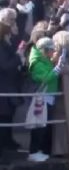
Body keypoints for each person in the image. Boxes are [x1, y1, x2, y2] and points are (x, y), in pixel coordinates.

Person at [27, 37, 63, 162]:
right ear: (44, 50)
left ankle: (38, 150)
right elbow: (46, 77)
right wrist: (57, 69)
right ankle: (33, 151)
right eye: (50, 50)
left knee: (43, 125)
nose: (52, 53)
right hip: (41, 98)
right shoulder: (36, 62)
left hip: (47, 96)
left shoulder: (43, 59)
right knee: (39, 125)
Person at [0, 20, 22, 154]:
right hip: (3, 88)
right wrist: (18, 57)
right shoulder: (1, 47)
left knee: (7, 119)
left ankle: (7, 144)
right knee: (3, 120)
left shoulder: (6, 45)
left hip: (8, 87)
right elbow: (5, 66)